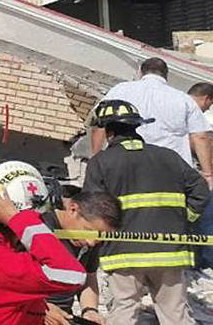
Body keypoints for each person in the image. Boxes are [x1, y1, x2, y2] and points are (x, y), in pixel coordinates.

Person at [83, 99, 209, 325]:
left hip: (123, 252)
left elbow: (92, 207)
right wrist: (184, 221)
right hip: (169, 251)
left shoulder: (100, 163)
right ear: (136, 127)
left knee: (124, 311)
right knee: (175, 316)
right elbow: (201, 190)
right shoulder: (168, 157)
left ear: (109, 132)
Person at [0, 161, 88, 325]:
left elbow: (0, 296)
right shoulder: (4, 261)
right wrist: (19, 219)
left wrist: (41, 308)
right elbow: (73, 275)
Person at [90, 57, 213, 188]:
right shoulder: (183, 99)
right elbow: (200, 137)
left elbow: (99, 126)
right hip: (170, 170)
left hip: (126, 165)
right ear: (166, 76)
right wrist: (208, 175)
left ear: (141, 73)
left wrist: (96, 162)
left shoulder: (119, 90)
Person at [43, 191, 122, 325]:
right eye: (88, 230)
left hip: (63, 316)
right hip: (30, 312)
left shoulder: (91, 240)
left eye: (100, 236)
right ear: (73, 210)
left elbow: (89, 277)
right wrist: (41, 308)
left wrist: (90, 310)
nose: (91, 242)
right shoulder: (38, 227)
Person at [189, 83, 213, 269]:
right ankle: (204, 263)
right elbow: (200, 140)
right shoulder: (199, 116)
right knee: (205, 220)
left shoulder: (175, 105)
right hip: (198, 178)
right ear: (207, 99)